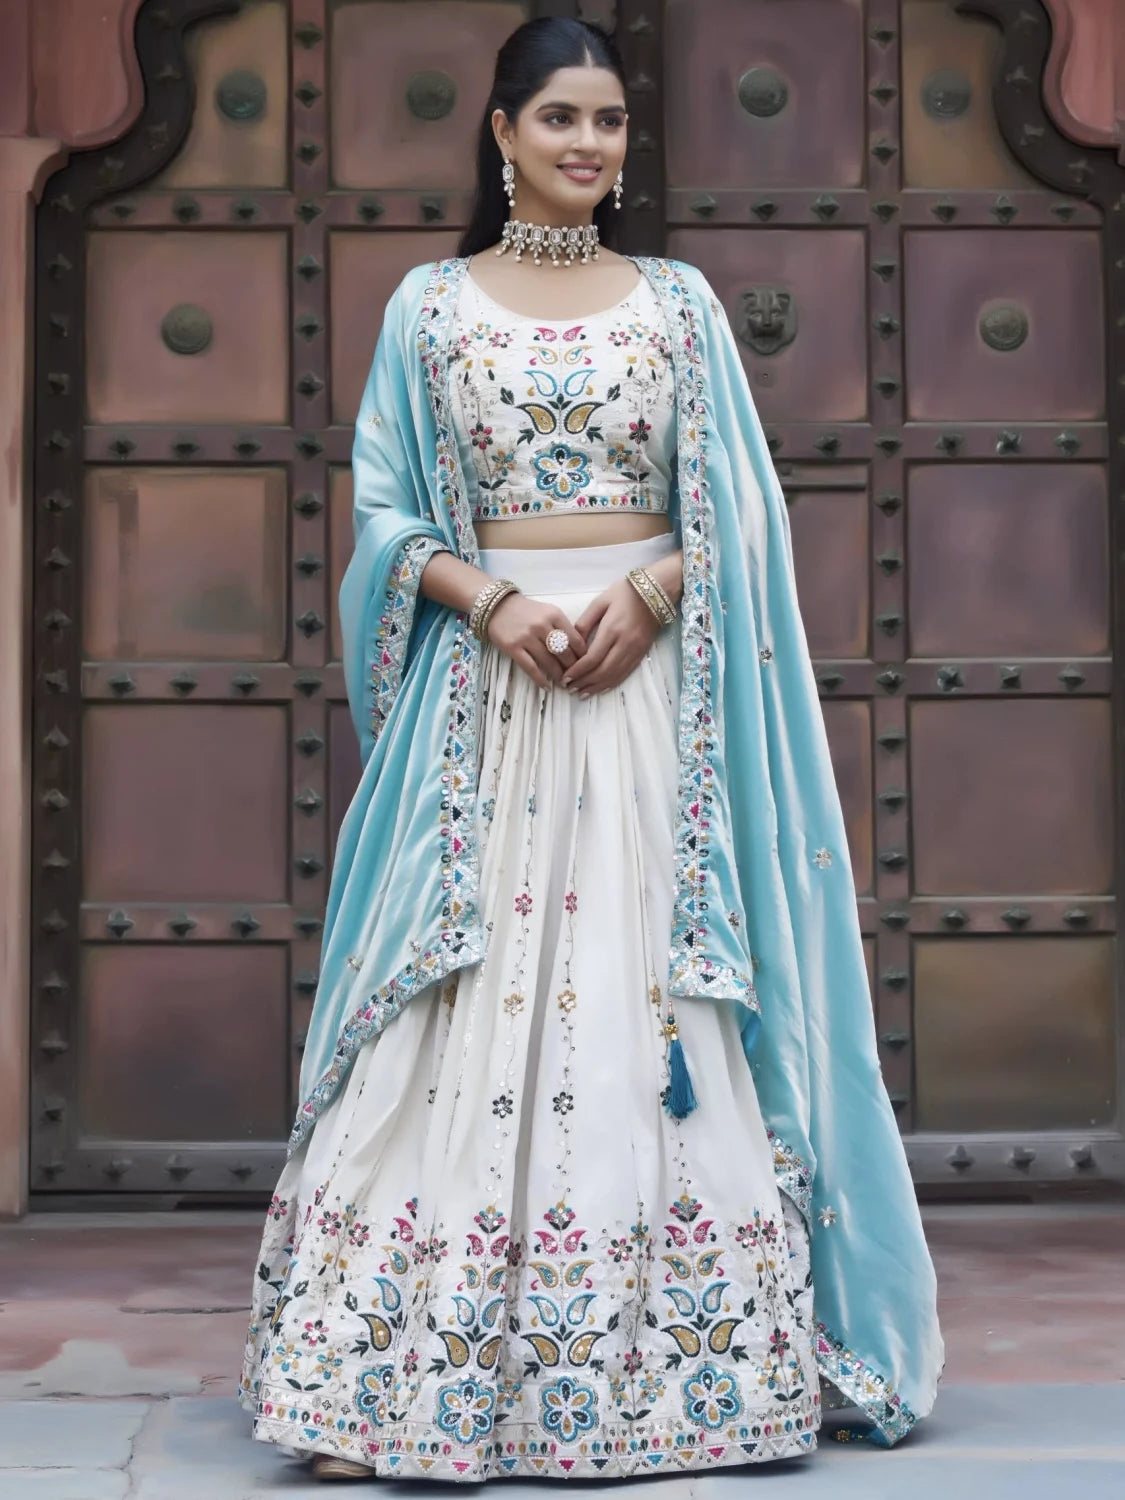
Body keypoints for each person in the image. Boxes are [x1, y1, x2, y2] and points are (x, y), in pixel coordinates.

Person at [237, 16, 944, 1483]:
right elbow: (381, 515)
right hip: (485, 710)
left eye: (607, 123)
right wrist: (489, 602)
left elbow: (738, 509)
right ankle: (408, 1376)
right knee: (461, 988)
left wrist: (650, 587)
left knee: (648, 993)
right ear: (498, 133)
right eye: (556, 117)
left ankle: (680, 1379)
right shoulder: (428, 309)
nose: (584, 145)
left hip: (639, 705)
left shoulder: (676, 304)